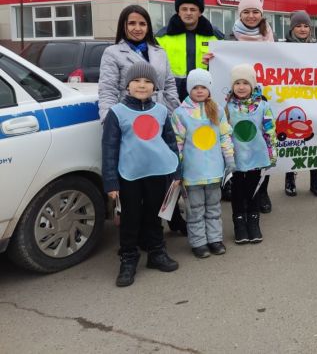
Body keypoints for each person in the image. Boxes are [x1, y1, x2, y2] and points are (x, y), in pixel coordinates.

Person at [102, 61, 181, 287]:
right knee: (130, 217)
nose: (142, 85)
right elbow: (109, 148)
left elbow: (170, 143)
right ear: (127, 85)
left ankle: (156, 252)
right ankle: (128, 258)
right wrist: (110, 181)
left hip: (158, 172)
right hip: (129, 176)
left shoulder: (162, 111)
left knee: (154, 215)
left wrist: (177, 171)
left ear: (155, 87)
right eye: (136, 81)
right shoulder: (117, 113)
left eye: (147, 81)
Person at [171, 69, 234, 259]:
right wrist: (178, 168)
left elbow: (224, 136)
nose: (199, 91)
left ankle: (215, 239)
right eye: (195, 87)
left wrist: (229, 158)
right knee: (195, 209)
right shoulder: (180, 113)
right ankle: (199, 242)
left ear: (209, 89)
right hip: (193, 172)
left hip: (214, 171)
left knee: (214, 207)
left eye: (203, 87)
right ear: (189, 89)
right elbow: (178, 143)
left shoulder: (217, 110)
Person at [225, 64, 277, 245]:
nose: (241, 87)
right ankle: (239, 222)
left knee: (253, 190)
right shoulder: (228, 107)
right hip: (237, 157)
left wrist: (271, 153)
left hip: (257, 156)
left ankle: (253, 221)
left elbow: (269, 130)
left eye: (245, 83)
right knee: (238, 191)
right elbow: (224, 132)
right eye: (237, 83)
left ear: (252, 85)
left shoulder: (263, 106)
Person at [98, 5, 179, 123]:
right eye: (131, 23)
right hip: (129, 116)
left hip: (161, 114)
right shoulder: (112, 53)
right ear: (123, 25)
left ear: (148, 27)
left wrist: (174, 114)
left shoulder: (160, 51)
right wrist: (109, 120)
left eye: (142, 24)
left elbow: (169, 85)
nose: (137, 28)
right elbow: (107, 90)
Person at [283, 10, 317, 197]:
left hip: (313, 99)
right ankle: (289, 178)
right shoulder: (281, 47)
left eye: (305, 26)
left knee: (312, 139)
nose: (302, 29)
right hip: (290, 99)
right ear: (292, 28)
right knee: (291, 141)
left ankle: (315, 180)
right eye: (298, 26)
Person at [156, 0, 224, 102]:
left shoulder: (215, 37)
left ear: (200, 12)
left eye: (193, 9)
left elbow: (222, 67)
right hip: (172, 94)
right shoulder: (161, 37)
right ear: (178, 11)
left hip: (204, 93)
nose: (188, 13)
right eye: (184, 9)